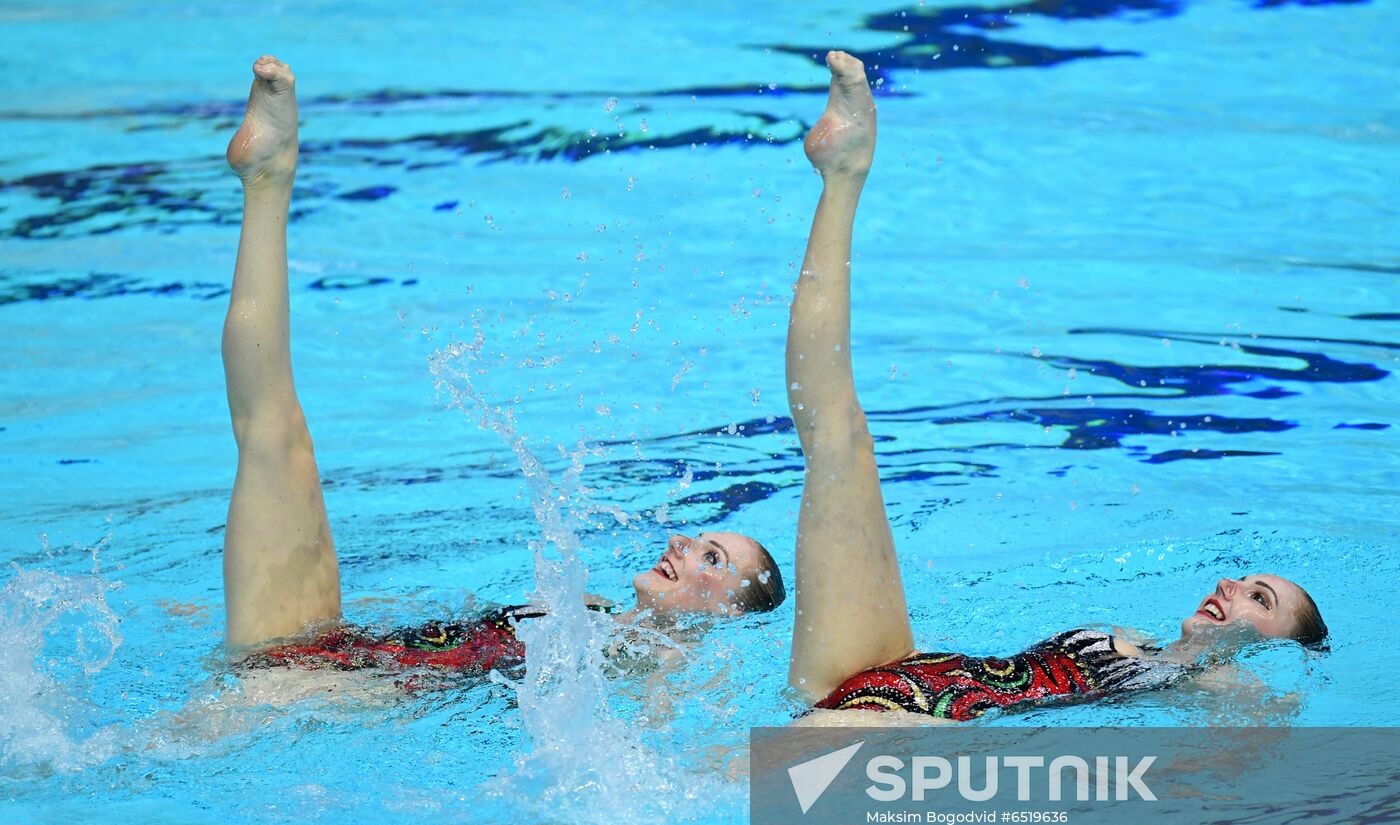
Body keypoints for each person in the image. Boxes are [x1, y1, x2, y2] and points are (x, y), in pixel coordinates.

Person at [784, 51, 1327, 725]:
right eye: (1247, 581)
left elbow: (1263, 759)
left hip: (906, 730)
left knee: (735, 781)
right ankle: (844, 171)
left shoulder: (1217, 688)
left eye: (1259, 600)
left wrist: (1257, 678)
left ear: (1273, 647)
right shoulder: (1133, 638)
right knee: (839, 433)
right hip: (900, 663)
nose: (1231, 586)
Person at [219, 56, 783, 674]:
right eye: (700, 539)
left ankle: (270, 183)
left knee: (270, 427)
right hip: (335, 649)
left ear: (728, 614)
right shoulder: (588, 610)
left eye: (712, 559)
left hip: (316, 695)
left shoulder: (660, 666)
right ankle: (268, 180)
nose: (682, 543)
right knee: (277, 431)